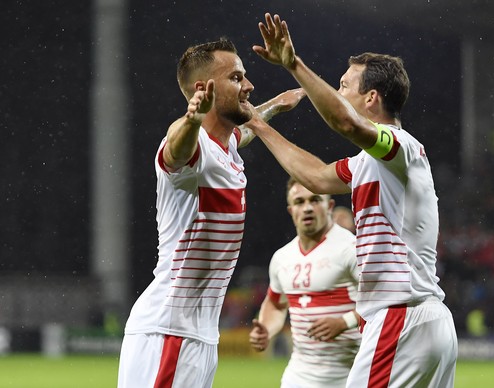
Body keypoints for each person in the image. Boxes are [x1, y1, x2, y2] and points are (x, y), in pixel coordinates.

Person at [246, 13, 458, 387]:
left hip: (400, 319)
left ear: (371, 98)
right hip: (424, 321)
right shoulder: (370, 162)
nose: (337, 94)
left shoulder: (398, 146)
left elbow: (345, 123)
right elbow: (316, 177)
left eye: (344, 86)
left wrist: (293, 64)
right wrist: (260, 126)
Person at [117, 38, 305, 388]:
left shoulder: (227, 144)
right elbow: (175, 149)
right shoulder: (194, 148)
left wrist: (277, 104)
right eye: (236, 78)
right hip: (168, 332)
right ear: (203, 89)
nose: (248, 85)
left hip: (200, 337)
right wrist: (191, 120)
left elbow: (245, 131)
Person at [249, 177, 361, 387]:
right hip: (299, 375)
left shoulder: (351, 249)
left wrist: (344, 322)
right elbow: (275, 303)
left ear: (329, 206)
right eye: (300, 202)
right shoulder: (282, 258)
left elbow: (385, 301)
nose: (307, 208)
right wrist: (266, 328)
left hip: (352, 374)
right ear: (291, 210)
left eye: (315, 200)